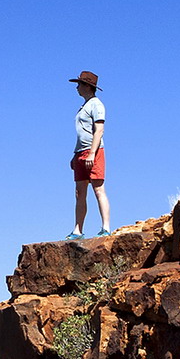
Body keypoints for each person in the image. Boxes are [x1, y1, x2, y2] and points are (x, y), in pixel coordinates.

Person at [69, 71, 109, 239]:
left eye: (79, 84)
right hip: (80, 152)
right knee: (80, 192)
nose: (77, 87)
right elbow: (81, 133)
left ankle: (105, 227)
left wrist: (92, 153)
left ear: (87, 86)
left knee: (98, 188)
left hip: (94, 151)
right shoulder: (83, 106)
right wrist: (75, 155)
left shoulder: (96, 104)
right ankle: (77, 230)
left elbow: (99, 130)